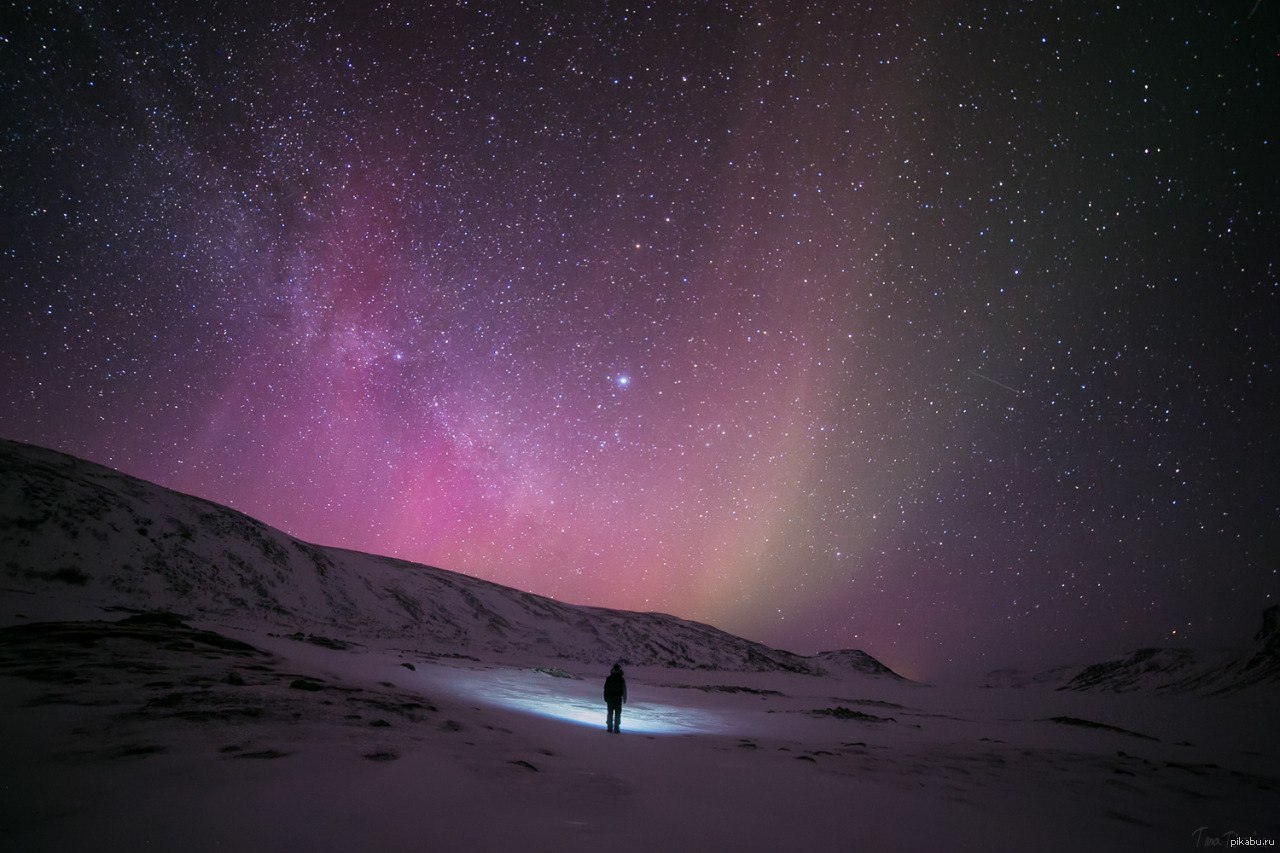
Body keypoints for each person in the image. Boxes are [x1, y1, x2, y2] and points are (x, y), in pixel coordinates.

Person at [603, 663, 627, 733]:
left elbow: (605, 688)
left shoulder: (609, 678)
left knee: (610, 713)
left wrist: (605, 697)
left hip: (610, 697)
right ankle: (616, 729)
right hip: (618, 698)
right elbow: (624, 689)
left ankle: (609, 728)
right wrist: (624, 699)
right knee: (617, 713)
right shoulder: (621, 679)